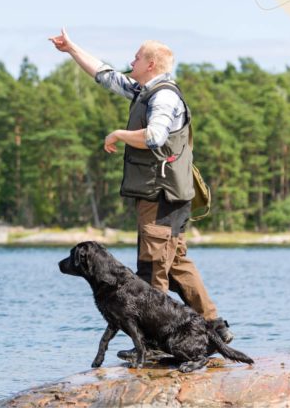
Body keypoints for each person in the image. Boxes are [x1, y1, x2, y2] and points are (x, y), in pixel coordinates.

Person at [48, 28, 234, 359]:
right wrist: (72, 49)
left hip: (161, 196)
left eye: (136, 57)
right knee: (175, 264)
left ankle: (151, 346)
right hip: (169, 195)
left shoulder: (163, 97)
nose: (130, 61)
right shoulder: (145, 90)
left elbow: (155, 137)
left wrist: (118, 133)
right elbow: (106, 76)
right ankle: (214, 327)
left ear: (150, 63)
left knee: (151, 270)